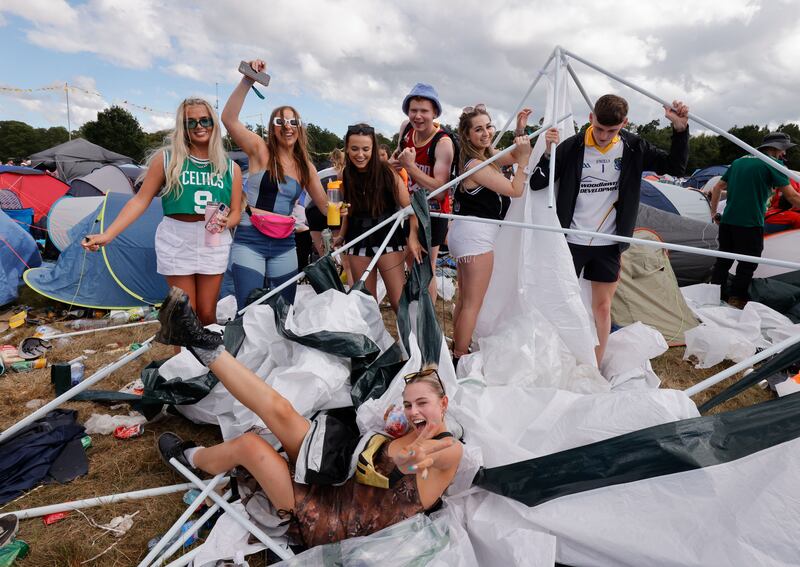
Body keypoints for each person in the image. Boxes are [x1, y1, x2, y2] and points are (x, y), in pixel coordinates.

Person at [155, 286, 462, 548]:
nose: (414, 411)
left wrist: (420, 453)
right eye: (408, 404)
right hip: (335, 472)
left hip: (332, 518)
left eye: (422, 403)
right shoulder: (409, 426)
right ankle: (199, 342)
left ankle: (190, 459)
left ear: (444, 403)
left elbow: (432, 458)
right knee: (282, 409)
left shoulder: (448, 450)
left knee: (250, 446)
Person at [529, 94, 690, 366]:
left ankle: (594, 365)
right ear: (591, 118)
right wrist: (547, 153)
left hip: (608, 243)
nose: (603, 136)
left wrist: (680, 129)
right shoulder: (573, 146)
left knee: (602, 308)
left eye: (611, 131)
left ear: (624, 124)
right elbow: (536, 184)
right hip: (571, 240)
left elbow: (676, 168)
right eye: (600, 128)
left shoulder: (634, 146)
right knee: (560, 301)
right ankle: (553, 358)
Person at [82, 97, 242, 325]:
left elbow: (236, 210)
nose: (199, 126)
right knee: (184, 314)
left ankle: (206, 361)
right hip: (178, 236)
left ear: (214, 124)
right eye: (191, 122)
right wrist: (107, 234)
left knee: (207, 314)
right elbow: (140, 201)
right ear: (183, 127)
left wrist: (227, 222)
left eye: (205, 120)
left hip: (213, 237)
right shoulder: (167, 159)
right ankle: (183, 362)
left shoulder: (230, 167)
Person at [222, 59, 328, 307]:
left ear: (300, 128)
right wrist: (248, 80)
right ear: (272, 127)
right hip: (250, 239)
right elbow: (228, 119)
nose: (287, 127)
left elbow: (326, 207)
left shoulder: (306, 167)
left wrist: (348, 208)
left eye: (293, 122)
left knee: (283, 310)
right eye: (280, 122)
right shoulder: (260, 150)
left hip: (284, 244)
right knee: (249, 309)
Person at [449, 105, 533, 364]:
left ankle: (457, 346)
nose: (486, 133)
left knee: (465, 299)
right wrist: (525, 162)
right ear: (467, 134)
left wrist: (520, 130)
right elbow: (515, 189)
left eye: (488, 126)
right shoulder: (475, 163)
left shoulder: (486, 156)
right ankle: (460, 356)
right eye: (478, 129)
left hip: (466, 233)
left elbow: (511, 155)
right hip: (476, 235)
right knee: (473, 302)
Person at [336, 124, 422, 312]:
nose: (360, 154)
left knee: (399, 301)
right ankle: (372, 341)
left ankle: (409, 341)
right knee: (365, 303)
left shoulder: (387, 172)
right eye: (355, 149)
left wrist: (413, 238)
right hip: (357, 239)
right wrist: (341, 235)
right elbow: (348, 211)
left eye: (366, 149)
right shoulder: (345, 174)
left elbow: (411, 208)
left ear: (373, 148)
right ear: (347, 149)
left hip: (388, 237)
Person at [709, 132, 800, 307]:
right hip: (750, 223)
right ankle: (736, 300)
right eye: (784, 150)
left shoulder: (739, 161)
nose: (785, 154)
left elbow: (717, 187)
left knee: (723, 260)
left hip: (727, 222)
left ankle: (712, 296)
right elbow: (793, 197)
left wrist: (714, 214)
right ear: (775, 148)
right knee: (748, 262)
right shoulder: (773, 164)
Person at [389, 83, 455, 303]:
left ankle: (428, 320)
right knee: (410, 260)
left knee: (427, 268)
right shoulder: (406, 129)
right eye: (413, 110)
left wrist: (410, 168)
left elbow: (439, 191)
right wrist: (392, 163)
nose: (417, 116)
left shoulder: (442, 142)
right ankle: (417, 306)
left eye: (424, 111)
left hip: (433, 214)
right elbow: (397, 155)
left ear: (434, 112)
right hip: (411, 209)